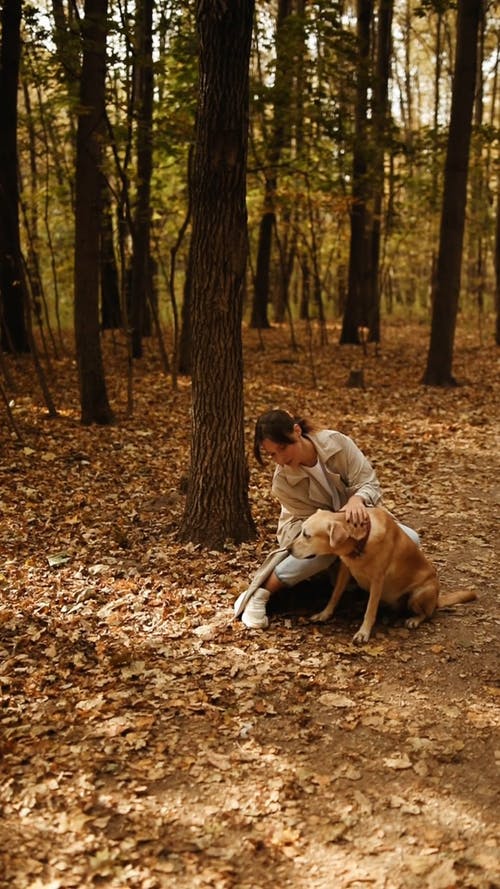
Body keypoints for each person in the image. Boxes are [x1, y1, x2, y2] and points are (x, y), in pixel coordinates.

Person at [234, 409, 419, 629]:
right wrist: (344, 521)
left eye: (283, 448)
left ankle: (366, 588)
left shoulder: (336, 443)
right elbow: (314, 524)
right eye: (272, 454)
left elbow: (368, 482)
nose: (281, 459)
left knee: (411, 539)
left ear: (296, 431)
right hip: (304, 528)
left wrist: (357, 500)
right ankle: (260, 592)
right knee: (325, 547)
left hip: (355, 518)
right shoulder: (282, 481)